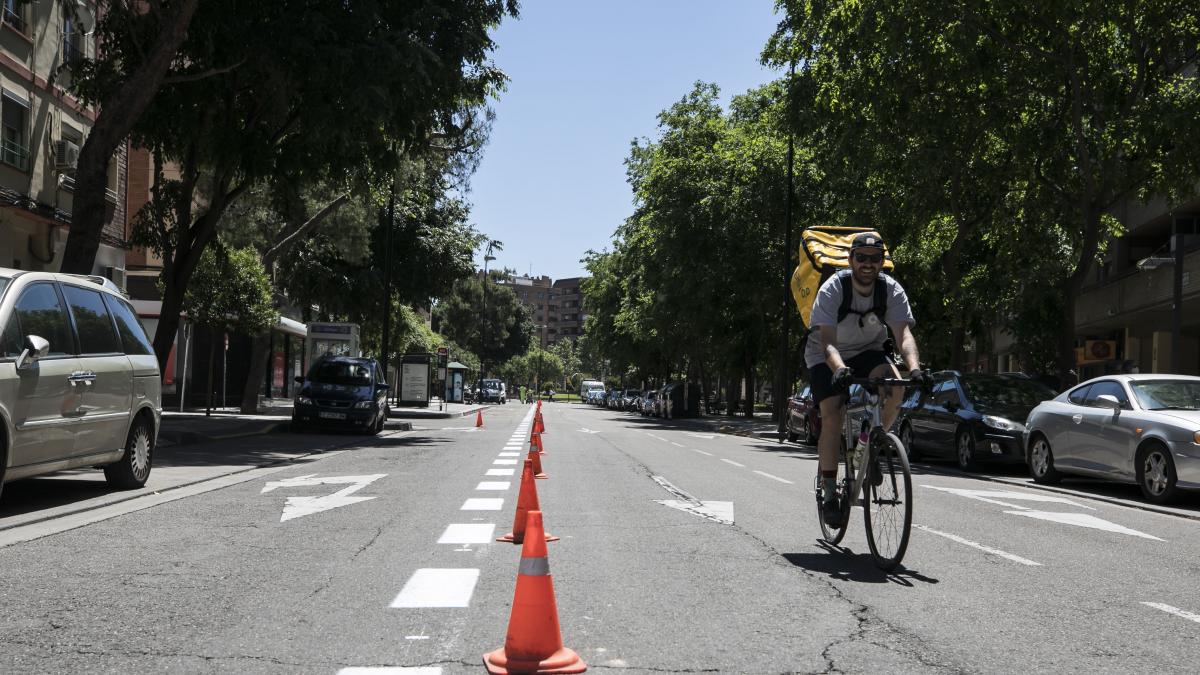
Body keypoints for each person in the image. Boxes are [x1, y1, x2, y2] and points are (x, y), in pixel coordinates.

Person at [803, 232, 926, 527]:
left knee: (895, 390)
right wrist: (840, 370)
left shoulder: (891, 290)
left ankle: (869, 449)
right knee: (832, 414)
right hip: (826, 355)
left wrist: (916, 369)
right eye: (862, 258)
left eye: (875, 258)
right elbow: (827, 342)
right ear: (851, 260)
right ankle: (830, 494)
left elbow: (903, 335)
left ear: (882, 261)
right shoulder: (834, 289)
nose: (868, 264)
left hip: (869, 351)